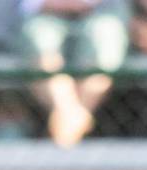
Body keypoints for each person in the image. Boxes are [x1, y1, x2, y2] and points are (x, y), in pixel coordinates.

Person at [19, 0, 131, 148]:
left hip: (100, 13)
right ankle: (70, 124)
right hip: (47, 14)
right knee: (42, 42)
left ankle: (66, 135)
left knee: (105, 36)